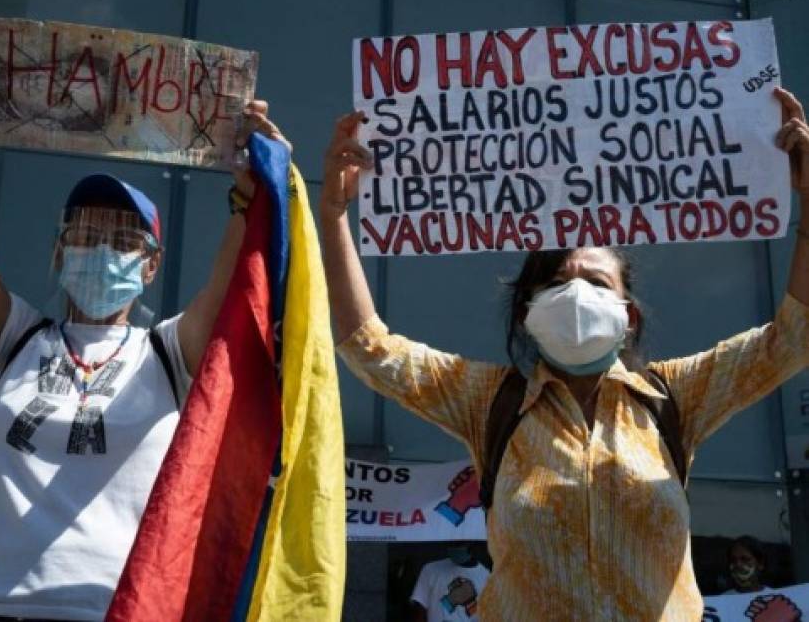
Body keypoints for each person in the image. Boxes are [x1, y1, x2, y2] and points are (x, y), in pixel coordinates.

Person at [319, 87, 809, 620]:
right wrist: (334, 215)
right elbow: (369, 348)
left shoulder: (675, 396)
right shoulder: (488, 401)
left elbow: (793, 338)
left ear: (629, 317)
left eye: (596, 282)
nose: (576, 296)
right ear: (528, 313)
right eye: (556, 282)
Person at [0, 46, 287, 621]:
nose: (102, 249)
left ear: (151, 266)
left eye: (125, 241)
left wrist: (250, 191)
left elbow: (231, 288)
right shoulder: (16, 339)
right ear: (60, 251)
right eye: (85, 234)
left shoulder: (166, 353)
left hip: (120, 610)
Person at [410, 544, 490, 622]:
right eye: (452, 543)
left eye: (460, 543)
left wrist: (470, 602)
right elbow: (420, 612)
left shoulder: (487, 577)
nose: (455, 545)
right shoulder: (431, 570)